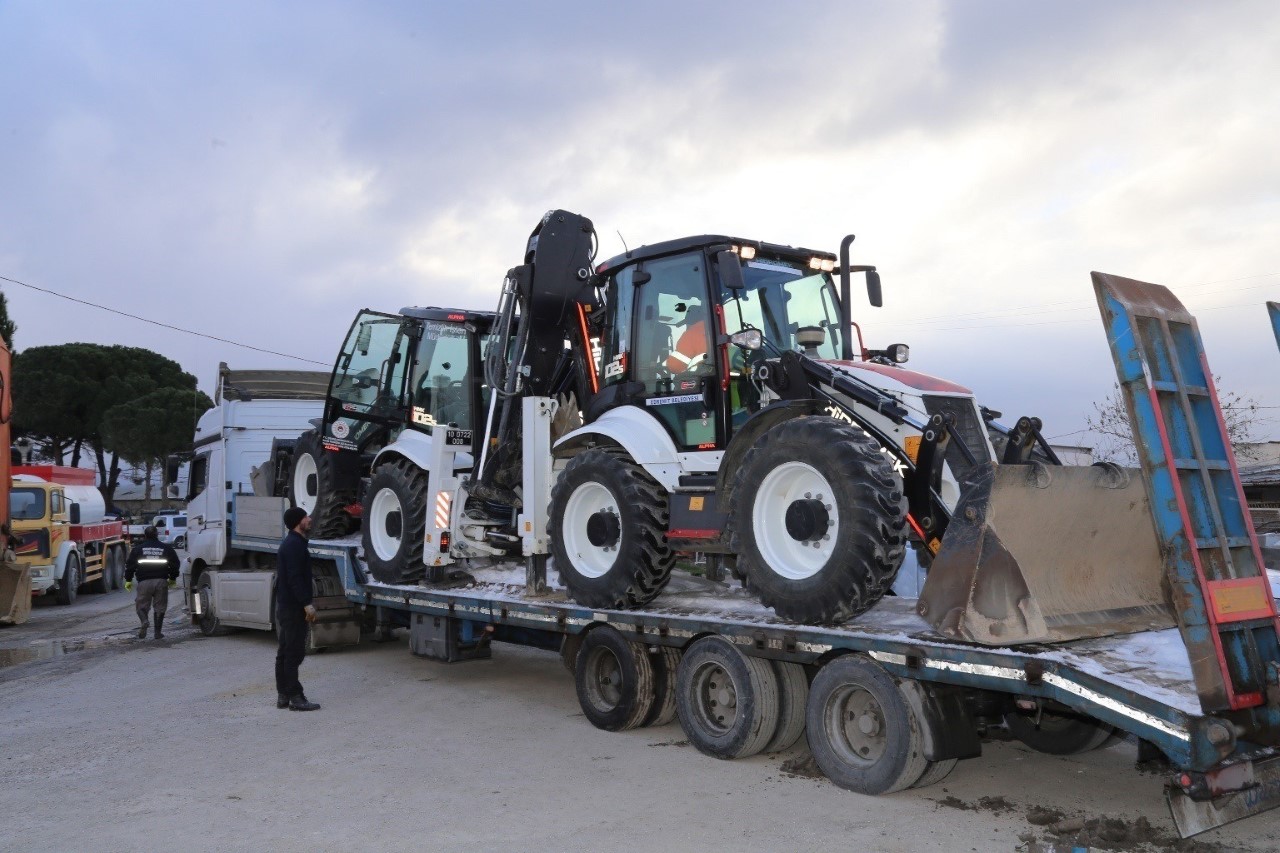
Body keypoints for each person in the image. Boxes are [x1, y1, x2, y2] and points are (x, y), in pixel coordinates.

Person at [276, 506, 319, 711]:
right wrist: (306, 603)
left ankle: (283, 695)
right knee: (293, 653)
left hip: (287, 607)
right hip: (293, 608)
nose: (309, 519)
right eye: (306, 517)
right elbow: (294, 578)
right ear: (297, 522)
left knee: (285, 652)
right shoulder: (294, 546)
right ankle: (295, 696)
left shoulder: (293, 544)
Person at [124, 525, 180, 639]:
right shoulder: (166, 548)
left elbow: (130, 566)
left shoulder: (138, 549)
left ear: (145, 536)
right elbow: (175, 564)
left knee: (141, 606)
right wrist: (173, 578)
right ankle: (157, 633)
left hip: (144, 582)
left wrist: (128, 580)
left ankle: (144, 621)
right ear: (157, 534)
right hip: (161, 581)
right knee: (160, 607)